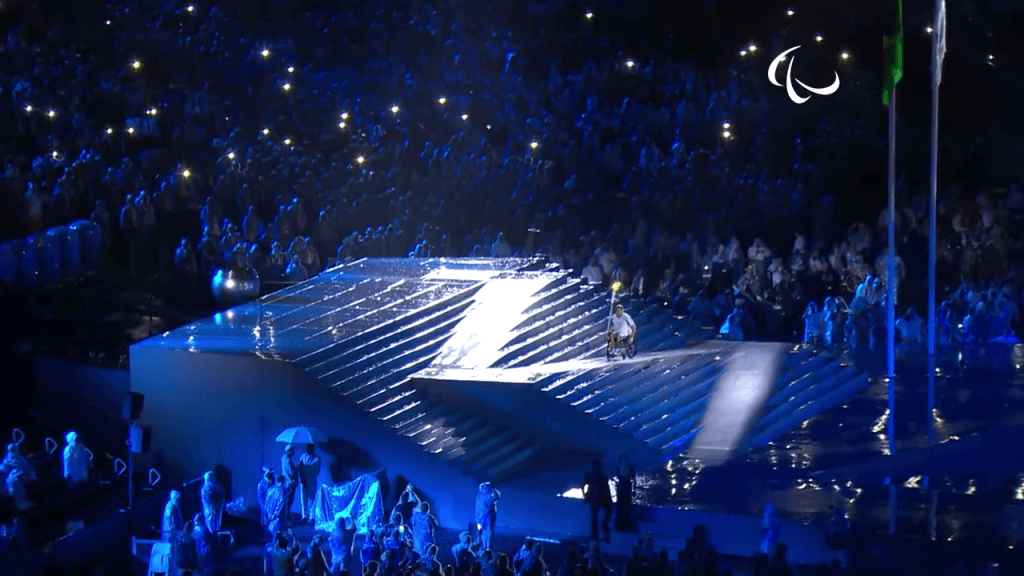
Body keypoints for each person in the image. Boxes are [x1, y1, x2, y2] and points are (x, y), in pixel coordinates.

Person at [583, 461, 613, 542]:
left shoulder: (592, 475)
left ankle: (599, 532)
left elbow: (583, 486)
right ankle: (600, 530)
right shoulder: (601, 476)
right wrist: (585, 495)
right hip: (597, 499)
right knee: (596, 516)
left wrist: (585, 495)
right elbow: (607, 489)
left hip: (596, 499)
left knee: (595, 517)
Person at [298, 443, 321, 523]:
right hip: (303, 481)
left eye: (310, 448)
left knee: (312, 498)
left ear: (312, 449)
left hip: (311, 481)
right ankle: (304, 516)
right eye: (307, 448)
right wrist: (302, 478)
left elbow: (315, 470)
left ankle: (312, 517)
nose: (308, 449)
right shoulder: (302, 457)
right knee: (303, 498)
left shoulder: (317, 458)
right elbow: (299, 468)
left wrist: (308, 478)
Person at [475, 483, 501, 552]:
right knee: (487, 532)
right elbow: (497, 496)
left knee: (485, 532)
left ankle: (486, 548)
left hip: (484, 517)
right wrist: (493, 487)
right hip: (486, 517)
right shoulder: (487, 496)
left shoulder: (480, 496)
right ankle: (486, 548)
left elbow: (477, 509)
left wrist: (477, 520)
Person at [614, 455, 635, 532]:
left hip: (621, 489)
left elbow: (616, 477)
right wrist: (634, 490)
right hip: (626, 489)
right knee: (626, 508)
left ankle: (620, 525)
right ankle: (625, 525)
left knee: (621, 508)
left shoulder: (619, 467)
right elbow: (633, 479)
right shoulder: (630, 468)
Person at [265, 474, 287, 540]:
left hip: (270, 516)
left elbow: (266, 503)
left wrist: (269, 514)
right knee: (277, 533)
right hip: (278, 516)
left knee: (271, 532)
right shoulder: (282, 490)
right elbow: (281, 503)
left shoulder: (270, 490)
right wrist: (275, 514)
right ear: (283, 481)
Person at [281, 444, 299, 522]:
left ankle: (287, 516)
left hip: (287, 484)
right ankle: (286, 517)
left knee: (288, 501)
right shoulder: (288, 461)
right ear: (289, 451)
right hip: (290, 484)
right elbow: (292, 472)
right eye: (292, 450)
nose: (294, 451)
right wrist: (297, 468)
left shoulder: (285, 459)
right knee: (289, 501)